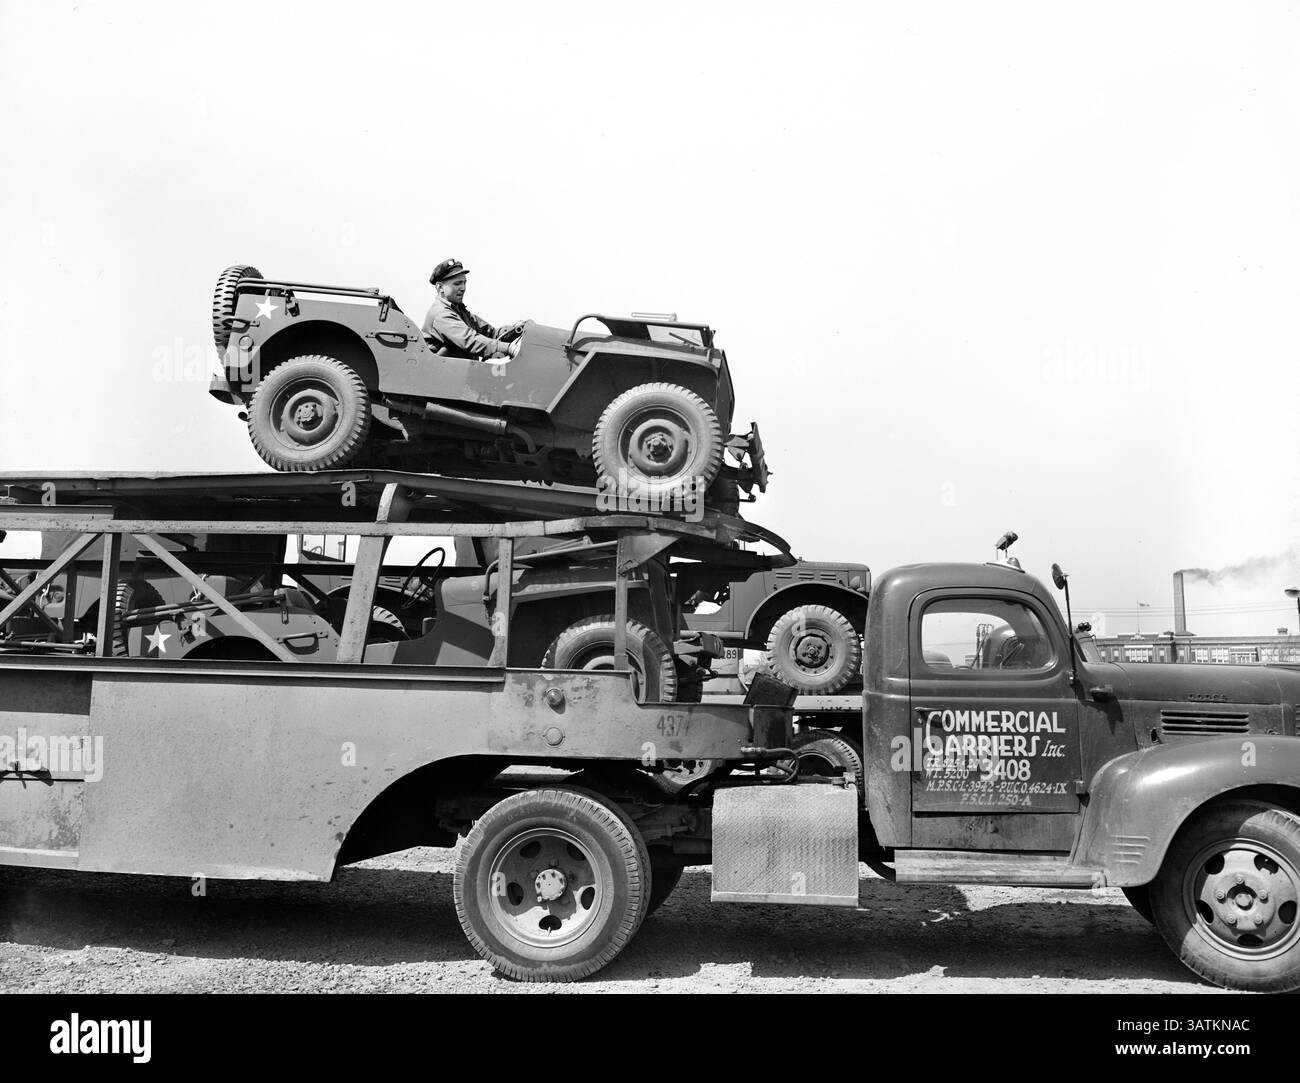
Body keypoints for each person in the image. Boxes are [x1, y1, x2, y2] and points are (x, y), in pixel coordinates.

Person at [422, 259, 529, 360]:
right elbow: (471, 340)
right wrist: (509, 348)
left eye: (464, 283)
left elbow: (492, 334)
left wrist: (518, 329)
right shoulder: (440, 314)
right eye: (457, 284)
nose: (463, 288)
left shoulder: (458, 311)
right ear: (440, 287)